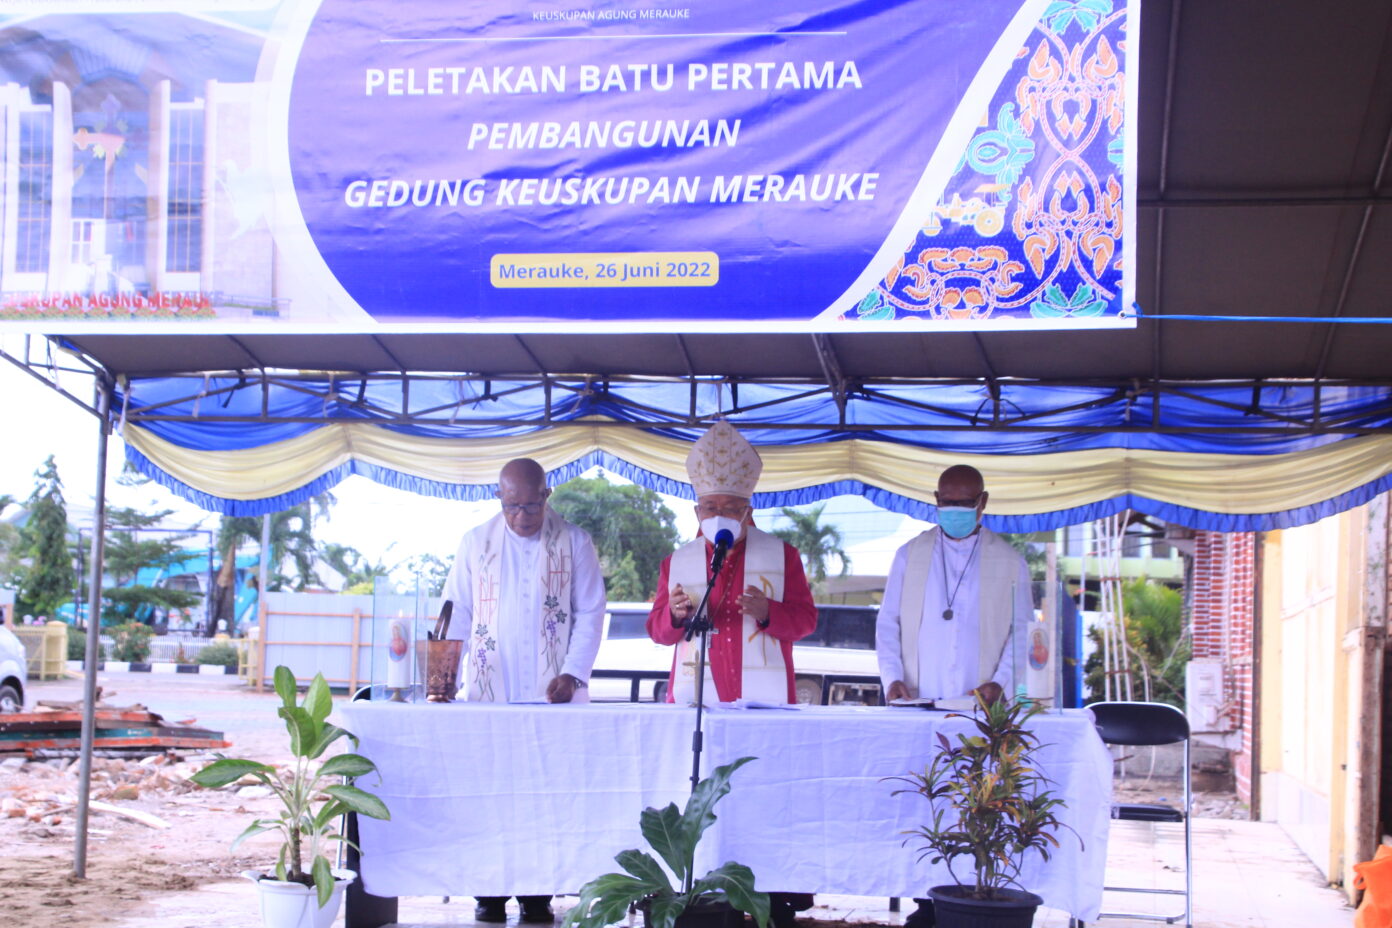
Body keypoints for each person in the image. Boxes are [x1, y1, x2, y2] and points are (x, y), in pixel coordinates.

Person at [439, 457, 606, 924]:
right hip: (490, 690)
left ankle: (537, 894)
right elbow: (457, 611)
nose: (521, 518)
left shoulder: (575, 542)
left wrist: (572, 674)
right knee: (489, 792)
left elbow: (591, 612)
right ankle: (490, 892)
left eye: (531, 507)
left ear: (546, 496)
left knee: (544, 793)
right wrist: (446, 672)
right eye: (512, 507)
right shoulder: (476, 543)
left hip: (553, 694)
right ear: (499, 498)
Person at [874, 464, 1032, 928]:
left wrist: (1000, 681)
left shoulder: (1010, 560)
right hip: (919, 704)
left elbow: (1021, 631)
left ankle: (966, 898)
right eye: (947, 503)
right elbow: (888, 625)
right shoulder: (910, 554)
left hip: (977, 707)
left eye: (965, 504)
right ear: (935, 500)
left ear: (983, 503)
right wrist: (893, 679)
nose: (955, 511)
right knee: (922, 803)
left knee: (971, 806)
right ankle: (923, 902)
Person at [647, 420, 818, 706]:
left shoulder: (783, 556)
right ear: (697, 511)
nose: (719, 515)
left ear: (747, 511)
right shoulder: (675, 562)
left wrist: (768, 613)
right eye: (710, 507)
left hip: (763, 701)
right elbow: (657, 631)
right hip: (696, 701)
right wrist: (674, 616)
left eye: (730, 508)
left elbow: (806, 622)